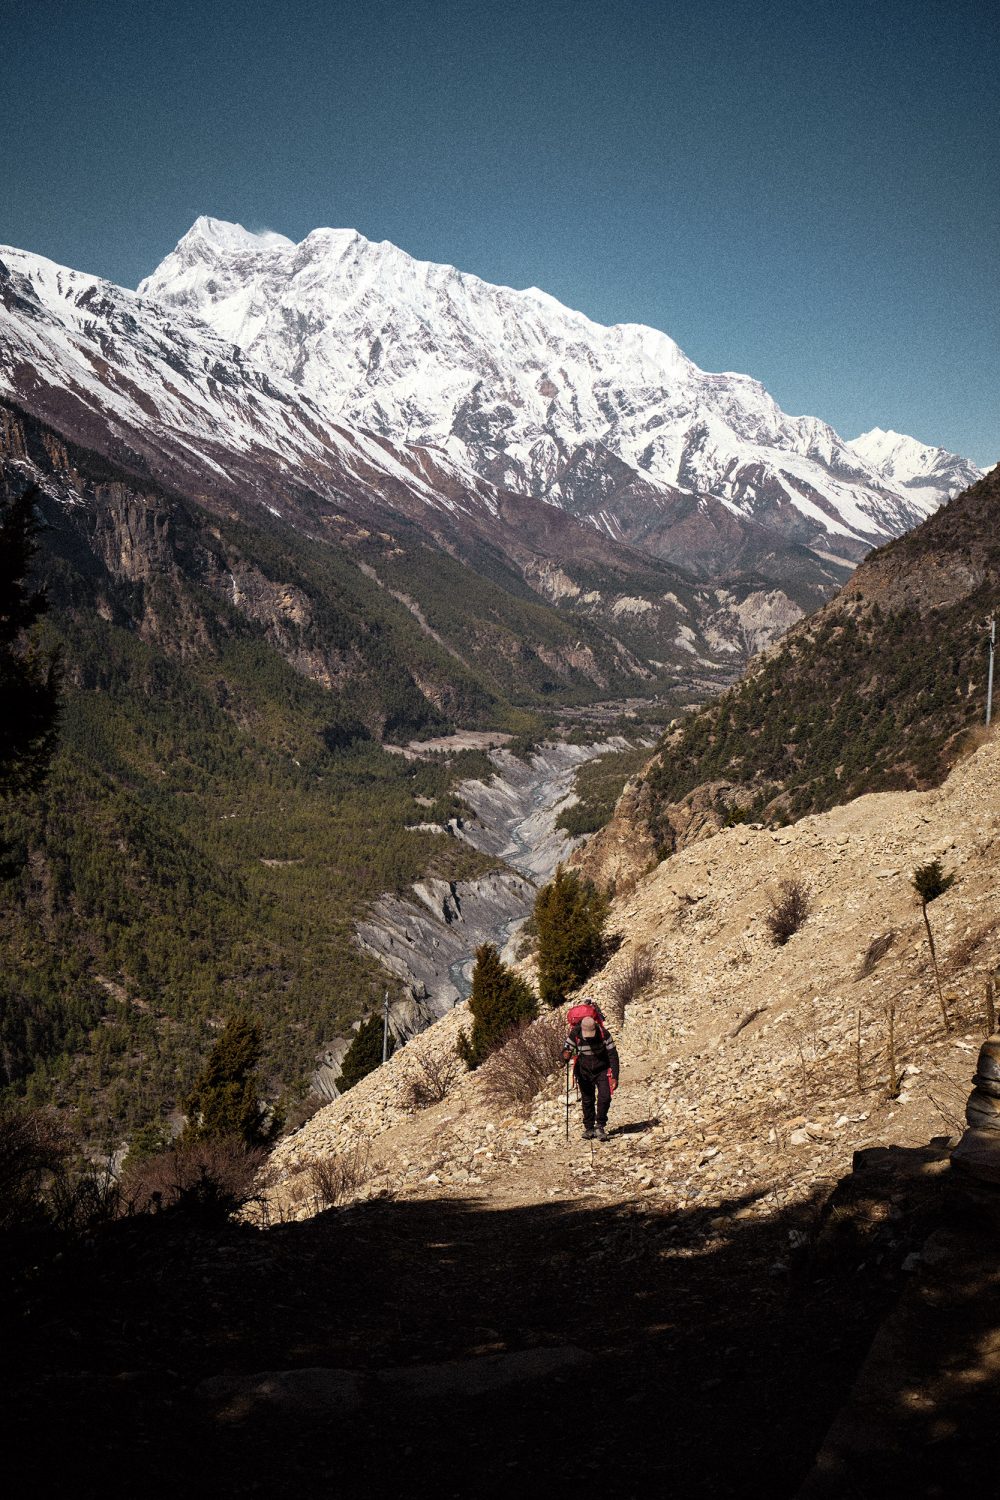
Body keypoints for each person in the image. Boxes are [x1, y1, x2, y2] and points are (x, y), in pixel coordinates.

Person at [562, 1005, 619, 1140]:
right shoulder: (575, 1033)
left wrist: (615, 1076)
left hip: (602, 1069)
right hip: (583, 1071)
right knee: (588, 1100)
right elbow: (566, 1051)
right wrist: (566, 1054)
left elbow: (613, 1055)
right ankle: (589, 1128)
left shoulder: (604, 1034)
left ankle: (600, 1125)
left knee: (605, 1097)